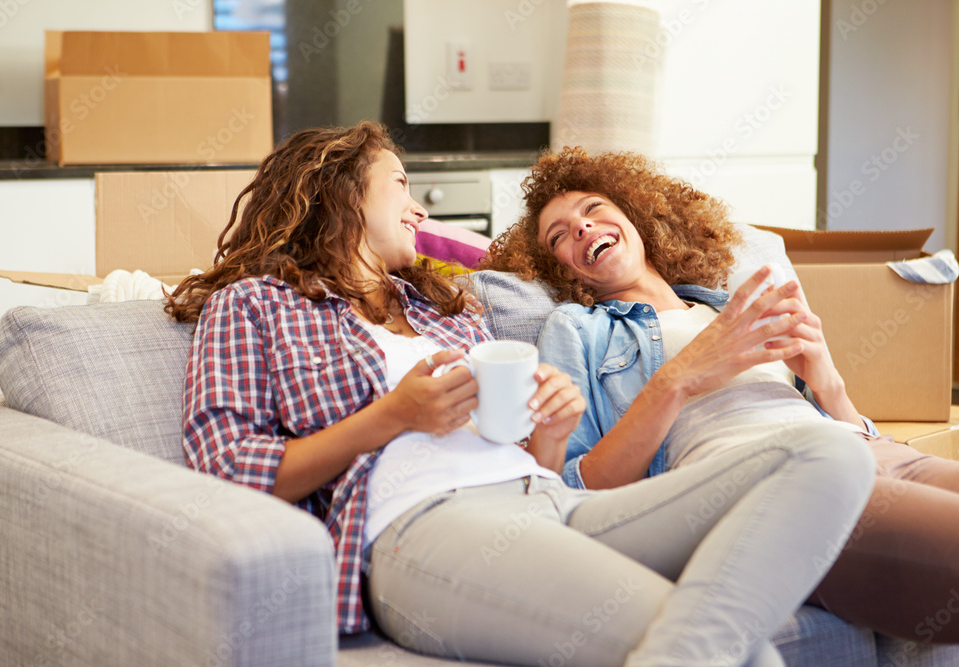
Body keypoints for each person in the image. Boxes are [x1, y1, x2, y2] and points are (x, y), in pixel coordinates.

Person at [166, 121, 875, 667]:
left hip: (549, 502)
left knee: (828, 456)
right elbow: (224, 468)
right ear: (341, 190)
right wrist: (389, 417)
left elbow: (531, 459)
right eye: (401, 185)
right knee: (739, 649)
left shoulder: (443, 308)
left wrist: (551, 431)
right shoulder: (254, 305)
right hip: (419, 527)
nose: (417, 209)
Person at [481, 145, 959, 644]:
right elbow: (574, 488)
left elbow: (836, 423)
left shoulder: (727, 305)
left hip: (871, 453)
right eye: (559, 235)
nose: (580, 227)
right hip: (776, 483)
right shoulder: (575, 329)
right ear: (560, 268)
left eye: (593, 208)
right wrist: (680, 377)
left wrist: (828, 383)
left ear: (636, 217)